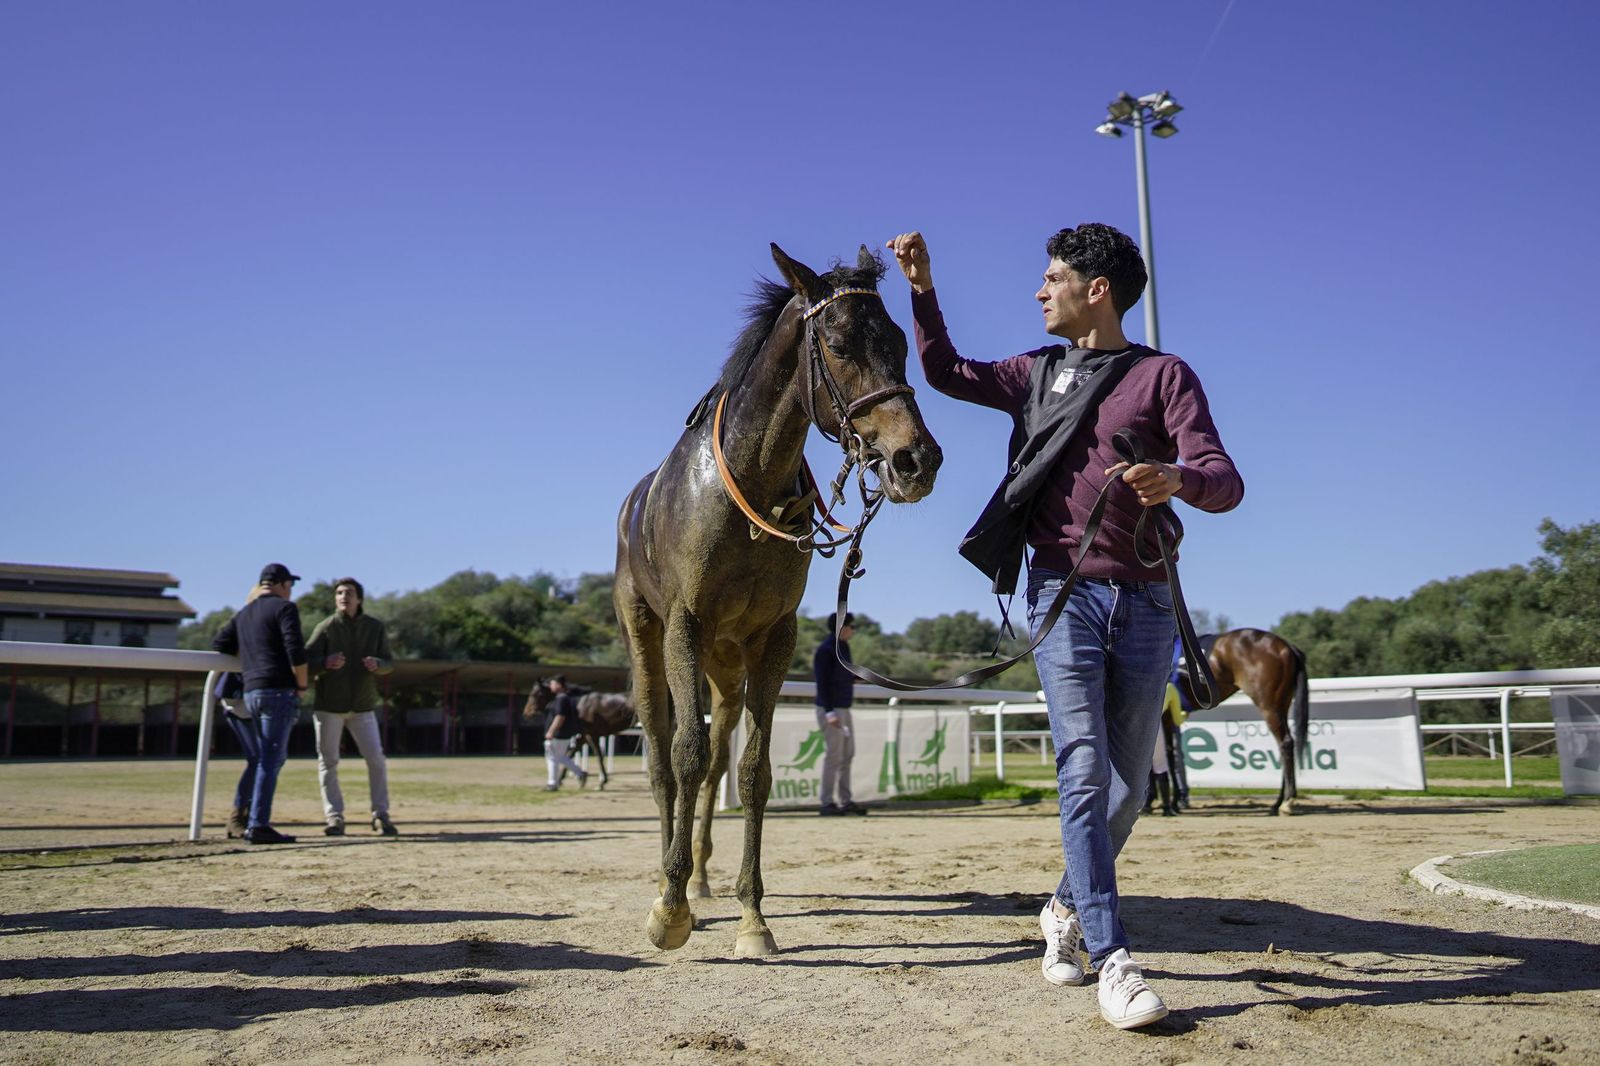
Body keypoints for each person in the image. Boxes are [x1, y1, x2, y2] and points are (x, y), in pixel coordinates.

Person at [887, 225, 1243, 1029]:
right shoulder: (1033, 371)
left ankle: (1065, 911)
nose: (1040, 291)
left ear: (1097, 290)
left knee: (1127, 792)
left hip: (1148, 599)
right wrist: (922, 288)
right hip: (1062, 595)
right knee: (1082, 770)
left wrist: (1177, 479)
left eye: (1053, 278)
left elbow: (1226, 481)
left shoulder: (1163, 375)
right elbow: (945, 372)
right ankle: (1115, 959)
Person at [212, 563, 311, 845]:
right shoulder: (284, 608)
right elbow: (296, 649)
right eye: (290, 585)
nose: (290, 591)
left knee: (263, 759)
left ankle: (248, 818)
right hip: (277, 690)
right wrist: (301, 685)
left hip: (251, 692)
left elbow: (220, 643)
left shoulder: (244, 613)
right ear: (281, 584)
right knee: (270, 759)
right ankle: (258, 824)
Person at [305, 576, 398, 836]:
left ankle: (380, 815)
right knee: (329, 762)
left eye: (348, 592)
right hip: (328, 707)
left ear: (359, 598)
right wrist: (325, 662)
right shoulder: (325, 627)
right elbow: (305, 660)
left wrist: (378, 665)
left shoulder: (375, 627)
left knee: (376, 760)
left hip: (363, 706)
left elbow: (390, 663)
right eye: (339, 593)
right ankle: (334, 818)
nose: (343, 597)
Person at [813, 612, 865, 816]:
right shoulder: (826, 650)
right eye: (851, 626)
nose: (853, 630)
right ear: (841, 628)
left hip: (843, 707)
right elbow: (822, 682)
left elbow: (838, 675)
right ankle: (826, 802)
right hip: (832, 709)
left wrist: (854, 677)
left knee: (847, 755)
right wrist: (829, 712)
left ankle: (845, 800)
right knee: (834, 756)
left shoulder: (843, 648)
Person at [541, 675, 588, 791]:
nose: (550, 686)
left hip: (558, 734)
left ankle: (552, 783)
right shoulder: (566, 698)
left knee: (552, 758)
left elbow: (560, 717)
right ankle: (580, 773)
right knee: (560, 757)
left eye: (552, 684)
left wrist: (551, 731)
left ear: (558, 685)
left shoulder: (561, 698)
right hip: (564, 734)